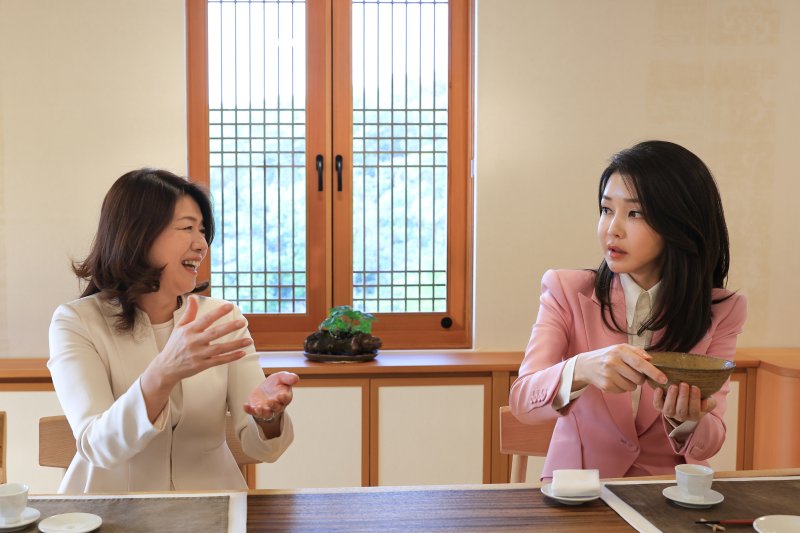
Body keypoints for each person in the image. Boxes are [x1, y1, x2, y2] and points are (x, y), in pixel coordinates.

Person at [48, 168, 299, 493]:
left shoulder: (222, 318)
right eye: (186, 228)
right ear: (138, 234)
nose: (201, 244)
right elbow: (98, 446)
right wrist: (164, 372)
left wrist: (268, 418)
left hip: (211, 506)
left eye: (203, 231)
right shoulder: (76, 321)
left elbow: (260, 447)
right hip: (110, 511)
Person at [509, 140, 746, 480]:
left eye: (635, 213)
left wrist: (687, 420)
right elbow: (522, 401)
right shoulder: (566, 289)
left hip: (665, 491)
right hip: (578, 488)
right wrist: (581, 369)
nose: (612, 229)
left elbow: (711, 441)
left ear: (680, 223)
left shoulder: (722, 310)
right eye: (606, 209)